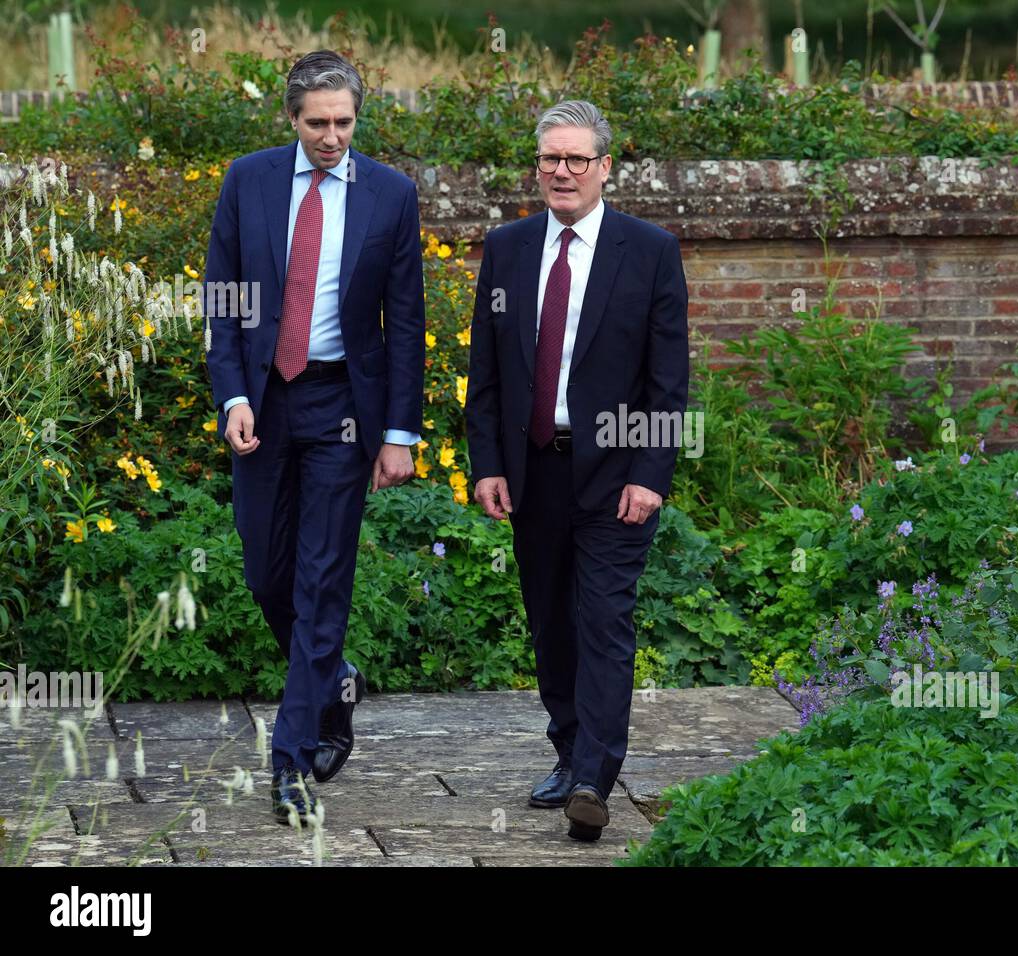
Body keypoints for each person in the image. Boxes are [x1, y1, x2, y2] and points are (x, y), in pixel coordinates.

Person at [203, 50, 424, 824]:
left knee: (323, 580)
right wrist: (232, 395)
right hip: (264, 403)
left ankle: (290, 760)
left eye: (345, 122)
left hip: (343, 409)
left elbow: (406, 322)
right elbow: (223, 300)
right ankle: (334, 679)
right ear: (291, 120)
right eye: (318, 123)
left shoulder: (392, 195)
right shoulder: (248, 181)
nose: (333, 137)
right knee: (267, 573)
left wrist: (399, 434)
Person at [466, 99, 689, 842]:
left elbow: (668, 379)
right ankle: (569, 749)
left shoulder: (649, 250)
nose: (562, 172)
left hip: (618, 473)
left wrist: (651, 474)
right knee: (551, 622)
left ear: (605, 167)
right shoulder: (507, 248)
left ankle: (595, 775)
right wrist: (488, 463)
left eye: (576, 159)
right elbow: (486, 372)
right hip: (533, 470)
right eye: (550, 159)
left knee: (604, 621)